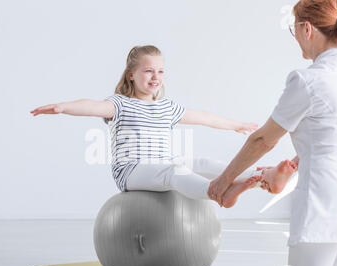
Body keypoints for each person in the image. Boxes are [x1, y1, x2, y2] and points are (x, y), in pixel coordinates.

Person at [208, 0, 337, 266]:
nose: (294, 37)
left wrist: (224, 179)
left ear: (306, 28)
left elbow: (262, 140)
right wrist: (288, 167)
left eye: (293, 29)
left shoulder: (307, 80)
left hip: (325, 200)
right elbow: (336, 135)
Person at [30, 45, 296, 207]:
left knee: (200, 161)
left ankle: (264, 179)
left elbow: (204, 117)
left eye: (160, 71)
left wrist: (234, 124)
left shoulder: (167, 107)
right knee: (173, 170)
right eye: (148, 71)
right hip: (132, 172)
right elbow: (91, 106)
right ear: (131, 75)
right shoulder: (120, 104)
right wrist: (63, 107)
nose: (155, 77)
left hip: (163, 162)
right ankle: (215, 193)